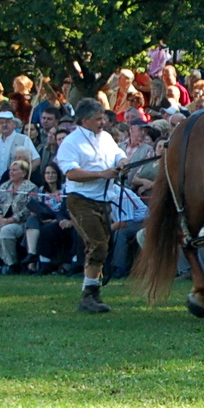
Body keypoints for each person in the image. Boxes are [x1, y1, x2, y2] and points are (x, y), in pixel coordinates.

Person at [55, 98, 126, 312]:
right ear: (85, 120)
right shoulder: (71, 142)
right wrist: (101, 174)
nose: (102, 122)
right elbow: (71, 173)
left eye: (103, 118)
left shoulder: (105, 137)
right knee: (98, 245)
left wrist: (122, 163)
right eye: (98, 119)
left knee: (102, 244)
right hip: (81, 199)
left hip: (103, 199)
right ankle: (89, 294)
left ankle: (92, 292)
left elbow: (117, 154)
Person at [0, 158, 37, 272]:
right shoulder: (5, 186)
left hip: (20, 222)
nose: (11, 172)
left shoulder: (30, 187)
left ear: (24, 173)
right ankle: (10, 263)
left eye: (15, 170)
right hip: (3, 221)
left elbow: (29, 208)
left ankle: (12, 264)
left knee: (6, 231)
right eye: (10, 170)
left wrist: (10, 220)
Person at [105, 180, 147, 280]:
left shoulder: (121, 194)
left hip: (143, 222)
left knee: (120, 233)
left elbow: (123, 223)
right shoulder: (101, 195)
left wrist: (103, 230)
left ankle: (120, 268)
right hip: (124, 221)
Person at [0, 112, 38, 183]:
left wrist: (24, 174)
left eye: (7, 122)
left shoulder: (24, 139)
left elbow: (36, 160)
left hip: (17, 184)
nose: (4, 125)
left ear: (14, 124)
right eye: (1, 123)